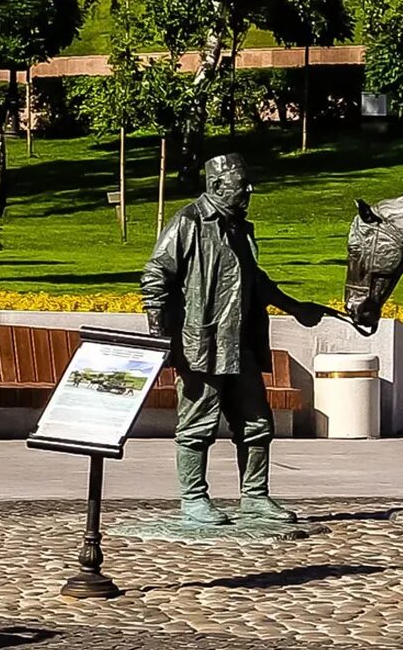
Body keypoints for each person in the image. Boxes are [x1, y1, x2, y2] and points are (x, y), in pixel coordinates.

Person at [141, 154, 328, 526]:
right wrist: (159, 333)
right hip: (203, 345)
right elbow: (155, 274)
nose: (249, 190)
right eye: (242, 184)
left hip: (239, 344)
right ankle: (194, 499)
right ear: (216, 186)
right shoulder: (189, 222)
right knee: (197, 425)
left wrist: (295, 307)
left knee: (258, 424)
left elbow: (256, 282)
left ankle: (255, 496)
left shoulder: (239, 228)